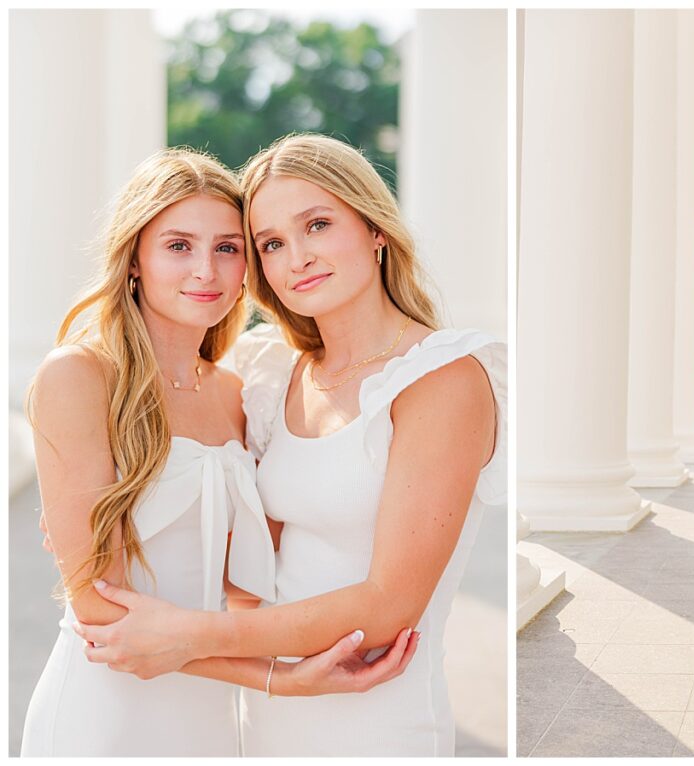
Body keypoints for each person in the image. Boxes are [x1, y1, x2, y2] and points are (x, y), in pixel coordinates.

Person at [76, 134, 507, 756]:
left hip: (374, 712)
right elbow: (249, 568)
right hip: (268, 709)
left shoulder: (441, 376)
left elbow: (387, 607)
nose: (297, 257)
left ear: (376, 229)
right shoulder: (274, 371)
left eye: (318, 225)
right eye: (272, 243)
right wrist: (99, 515)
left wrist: (188, 636)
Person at [21, 148, 413, 757]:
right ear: (134, 261)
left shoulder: (237, 392)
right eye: (178, 246)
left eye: (228, 248)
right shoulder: (78, 376)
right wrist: (275, 677)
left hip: (211, 716)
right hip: (106, 710)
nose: (205, 270)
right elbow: (99, 612)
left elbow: (246, 575)